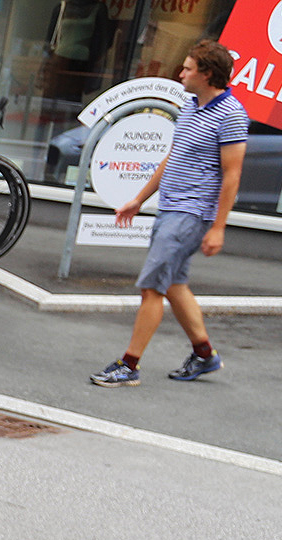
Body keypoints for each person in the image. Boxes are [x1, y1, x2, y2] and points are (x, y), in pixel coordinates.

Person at [91, 40, 248, 387]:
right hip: (172, 208)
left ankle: (128, 365)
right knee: (174, 283)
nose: (182, 73)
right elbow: (172, 158)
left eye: (188, 68)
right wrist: (139, 199)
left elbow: (232, 176)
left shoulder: (232, 115)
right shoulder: (191, 107)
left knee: (151, 287)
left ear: (207, 74)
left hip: (191, 213)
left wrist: (218, 227)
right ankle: (205, 355)